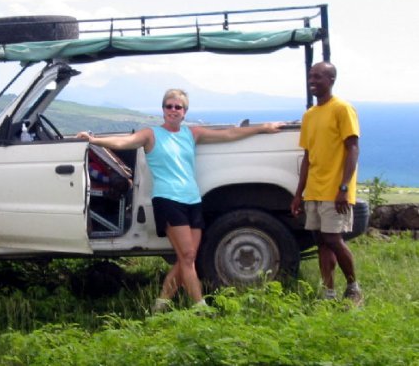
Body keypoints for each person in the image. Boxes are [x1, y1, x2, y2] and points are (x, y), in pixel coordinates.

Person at [77, 88, 283, 312]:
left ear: (185, 112)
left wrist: (263, 127)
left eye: (178, 107)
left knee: (188, 257)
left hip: (193, 200)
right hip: (167, 200)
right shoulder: (151, 134)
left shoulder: (191, 134)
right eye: (169, 106)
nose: (173, 110)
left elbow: (229, 134)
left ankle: (161, 304)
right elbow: (125, 141)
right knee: (186, 256)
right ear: (163, 110)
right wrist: (94, 140)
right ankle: (200, 307)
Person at [290, 62, 363, 305]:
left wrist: (344, 187)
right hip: (314, 190)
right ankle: (328, 292)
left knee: (333, 239)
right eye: (311, 76)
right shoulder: (310, 115)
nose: (313, 80)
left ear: (331, 79)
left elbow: (352, 148)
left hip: (336, 190)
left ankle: (354, 288)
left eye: (318, 76)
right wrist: (299, 193)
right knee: (321, 242)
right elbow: (308, 158)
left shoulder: (342, 108)